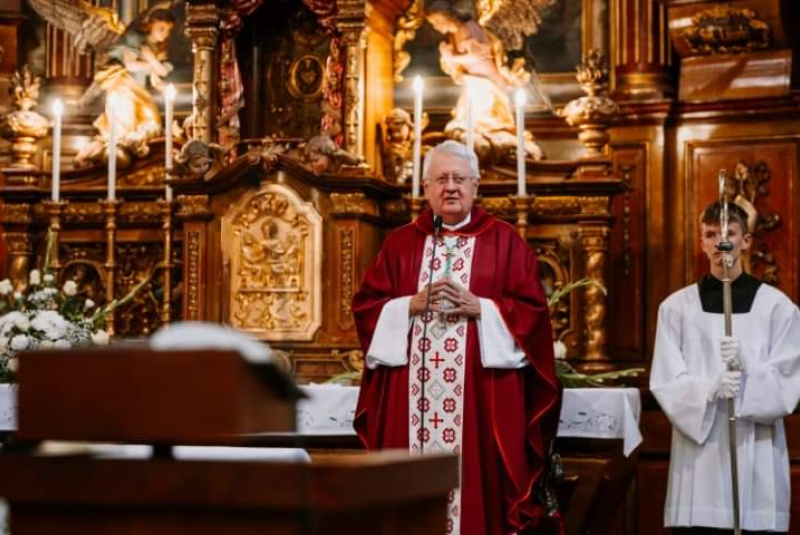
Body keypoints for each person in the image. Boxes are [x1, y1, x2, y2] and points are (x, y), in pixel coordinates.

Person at [353, 140, 560, 535]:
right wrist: (408, 305)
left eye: (459, 179)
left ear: (476, 185)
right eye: (441, 179)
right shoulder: (400, 244)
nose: (451, 187)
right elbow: (366, 308)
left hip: (480, 400)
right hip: (409, 401)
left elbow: (534, 314)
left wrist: (482, 307)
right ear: (426, 188)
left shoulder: (505, 242)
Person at [650, 201, 800, 534]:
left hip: (756, 455)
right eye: (711, 234)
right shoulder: (675, 309)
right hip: (698, 462)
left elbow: (790, 384)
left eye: (729, 233)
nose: (721, 242)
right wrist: (710, 389)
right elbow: (665, 381)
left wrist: (750, 375)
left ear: (746, 240)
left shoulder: (778, 309)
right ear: (702, 242)